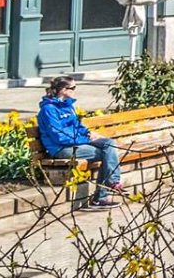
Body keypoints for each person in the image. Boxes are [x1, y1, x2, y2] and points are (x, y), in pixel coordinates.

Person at [37, 78, 123, 209]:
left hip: (76, 143)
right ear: (63, 90)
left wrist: (89, 133)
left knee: (109, 144)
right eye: (73, 88)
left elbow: (77, 125)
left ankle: (110, 186)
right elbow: (58, 136)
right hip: (62, 149)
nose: (75, 91)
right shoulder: (48, 110)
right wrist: (86, 139)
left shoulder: (68, 105)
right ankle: (102, 196)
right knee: (107, 152)